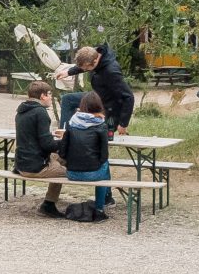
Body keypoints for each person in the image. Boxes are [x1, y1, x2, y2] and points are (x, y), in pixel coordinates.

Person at [54, 44, 135, 134]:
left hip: (109, 108)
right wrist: (68, 72)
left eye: (86, 68)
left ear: (95, 61)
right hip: (96, 97)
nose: (85, 70)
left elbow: (129, 97)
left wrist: (123, 124)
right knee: (68, 99)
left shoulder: (111, 72)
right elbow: (83, 65)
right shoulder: (94, 53)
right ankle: (65, 134)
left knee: (94, 135)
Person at [14, 80, 66, 218]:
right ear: (43, 96)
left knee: (62, 158)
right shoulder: (41, 112)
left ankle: (50, 202)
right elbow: (47, 145)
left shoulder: (21, 111)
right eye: (50, 94)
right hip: (35, 167)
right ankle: (48, 204)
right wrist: (66, 141)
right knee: (73, 173)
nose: (51, 98)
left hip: (21, 163)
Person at [60, 91, 111, 218]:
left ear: (82, 105)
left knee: (103, 165)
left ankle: (105, 201)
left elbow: (62, 152)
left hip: (72, 173)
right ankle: (100, 207)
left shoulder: (72, 123)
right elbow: (104, 155)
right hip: (93, 174)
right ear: (99, 106)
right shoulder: (101, 125)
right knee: (106, 165)